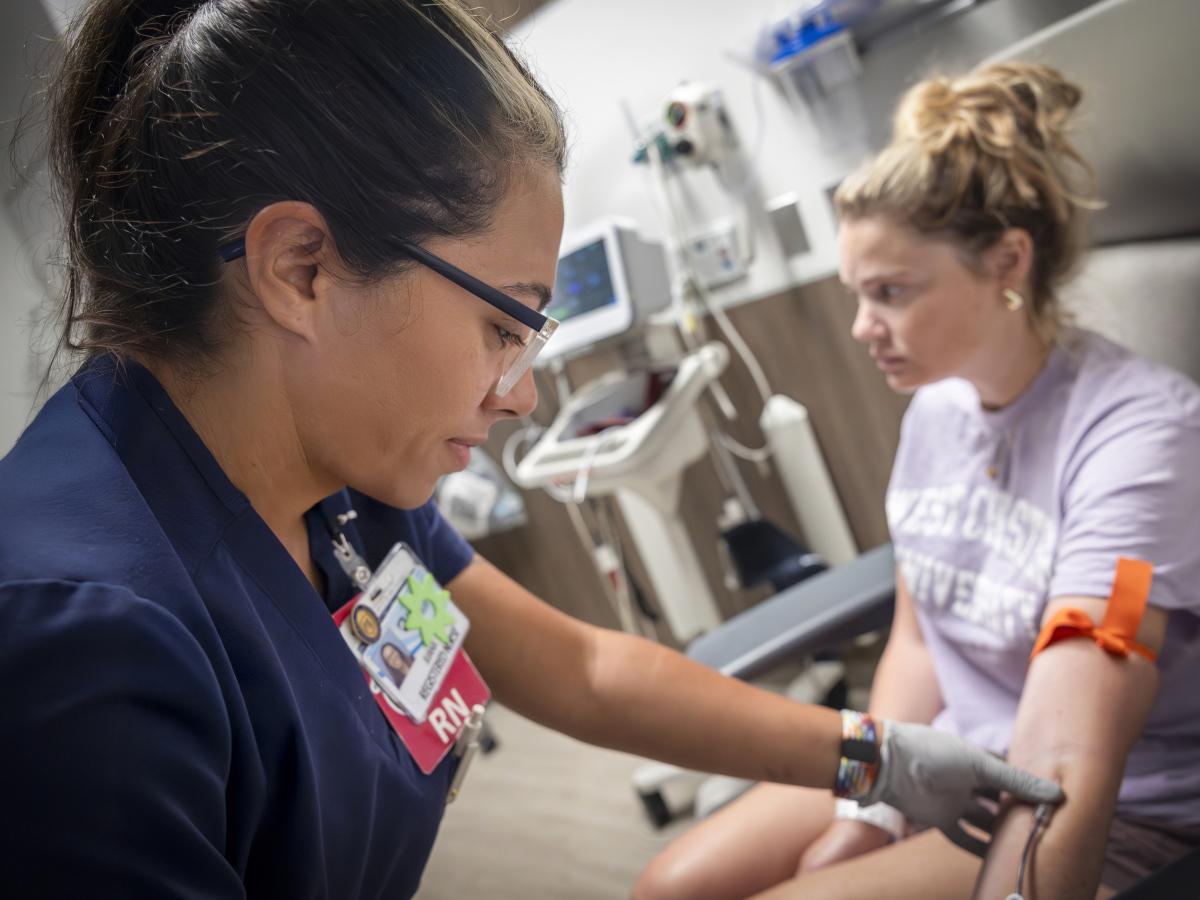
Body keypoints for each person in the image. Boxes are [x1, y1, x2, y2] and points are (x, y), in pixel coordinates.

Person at [0, 4, 1060, 897]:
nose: (524, 393)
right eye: (506, 323)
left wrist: (872, 758)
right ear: (303, 270)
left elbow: (584, 668)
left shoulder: (339, 485)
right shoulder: (84, 642)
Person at [635, 62, 1200, 900]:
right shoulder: (937, 409)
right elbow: (915, 635)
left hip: (1115, 801)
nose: (864, 327)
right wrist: (869, 812)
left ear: (1007, 262)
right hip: (952, 753)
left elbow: (1070, 750)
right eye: (857, 294)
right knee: (669, 886)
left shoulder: (1142, 442)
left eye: (891, 293)